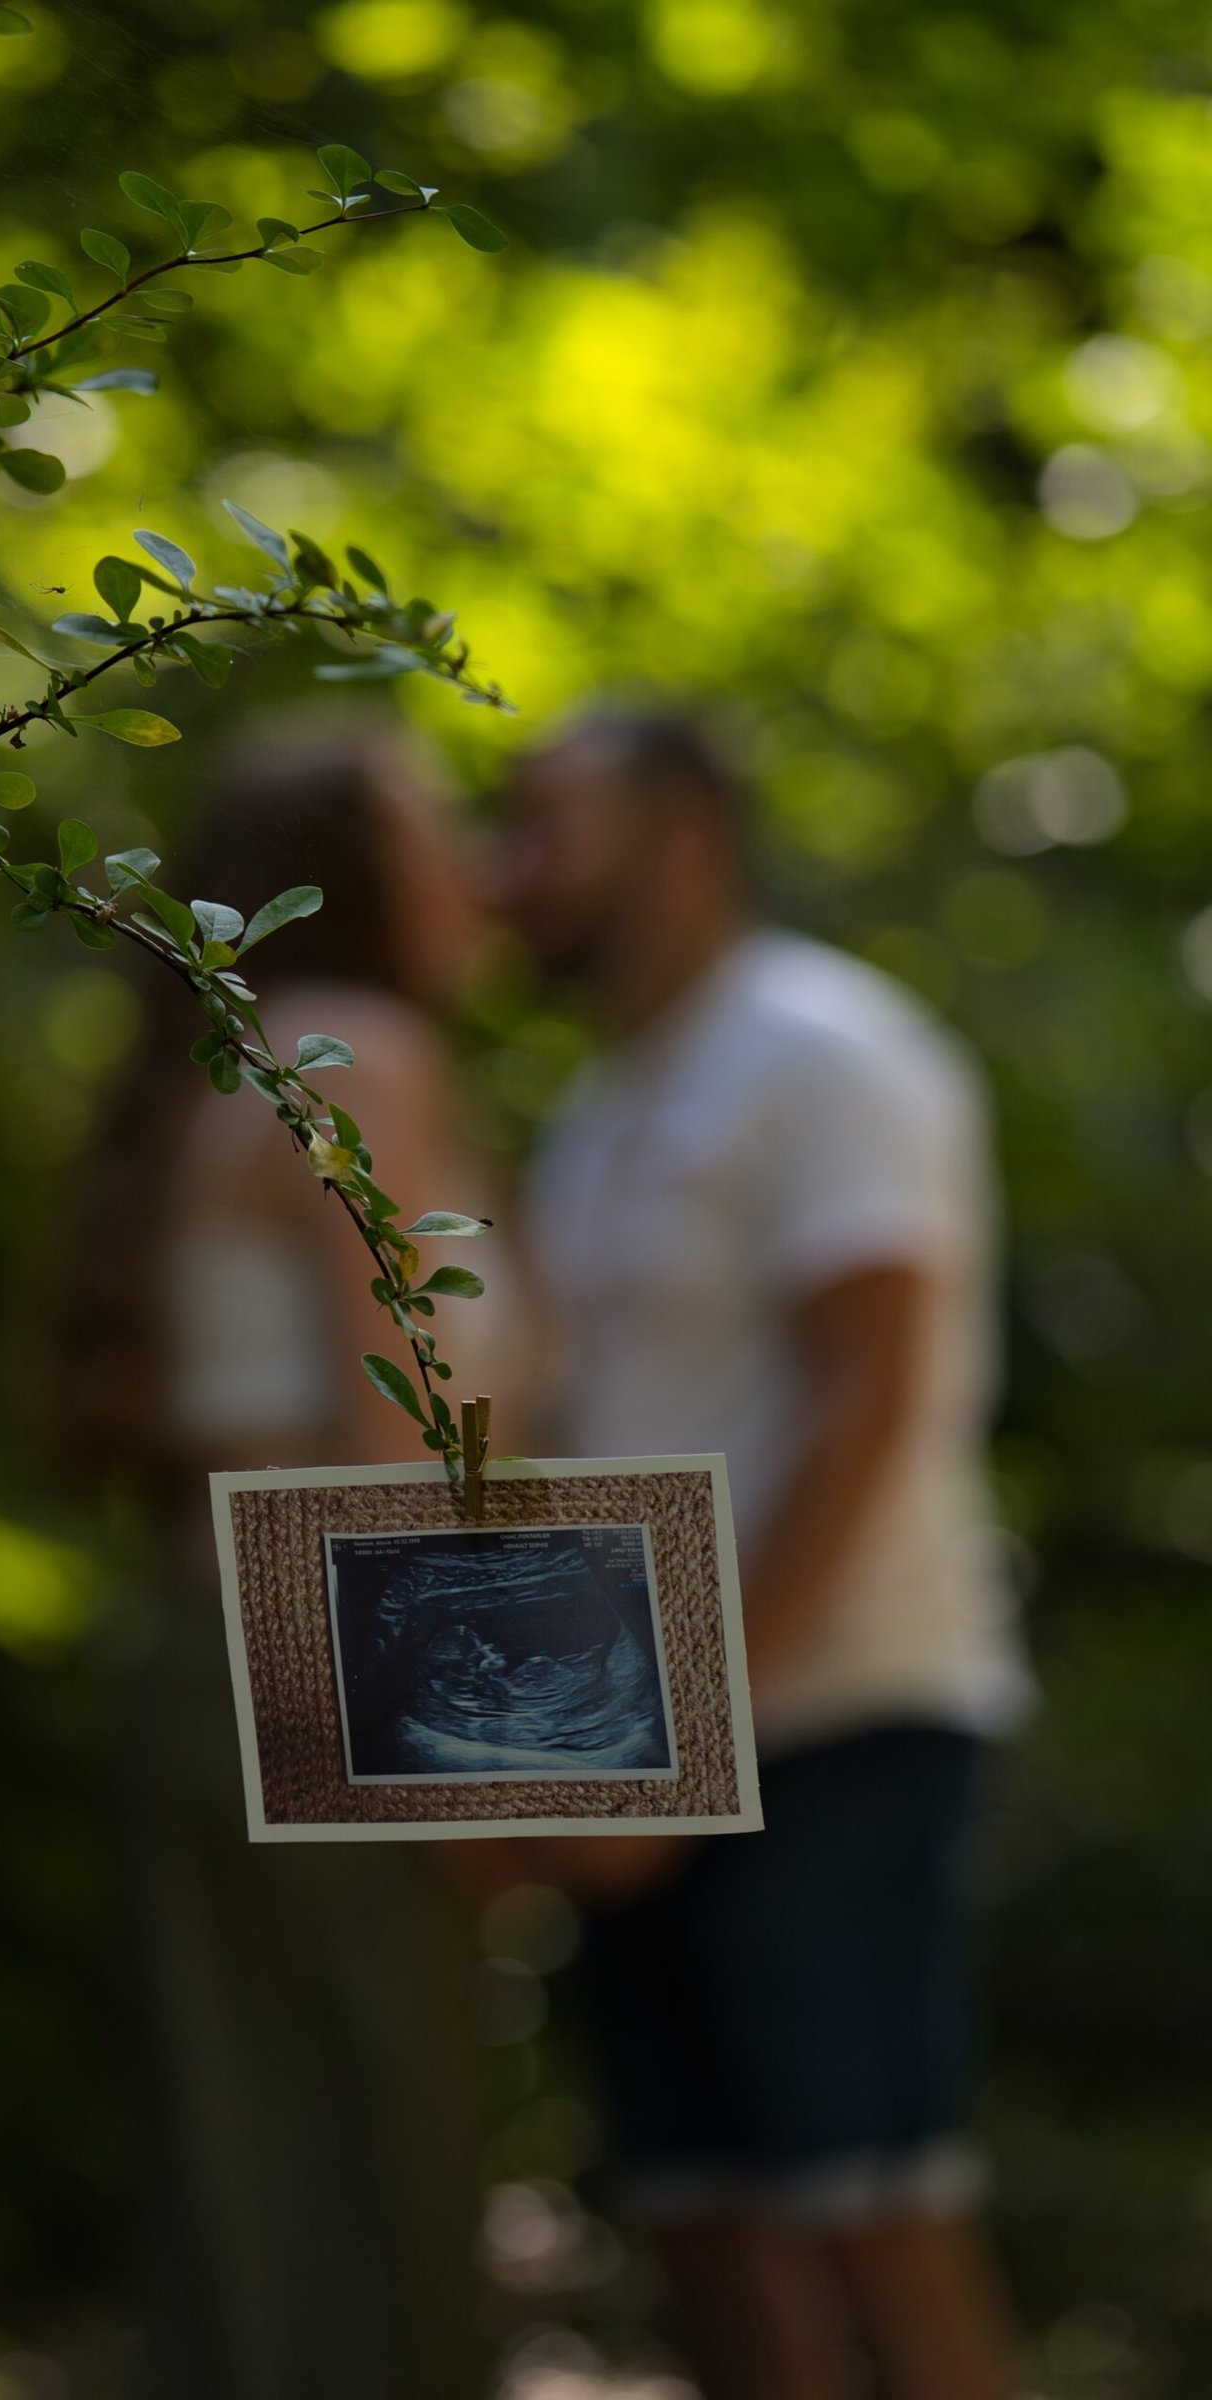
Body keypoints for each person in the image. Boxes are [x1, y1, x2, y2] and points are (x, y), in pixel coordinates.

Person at [489, 707, 1032, 2400]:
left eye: (549, 824)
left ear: (687, 834)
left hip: (844, 1720)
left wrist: (683, 1735)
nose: (511, 872)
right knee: (697, 2221)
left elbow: (876, 1404)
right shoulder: (603, 1107)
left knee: (871, 2207)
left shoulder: (820, 1047)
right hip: (664, 1745)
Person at [42, 714, 518, 2400]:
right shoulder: (362, 1055)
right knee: (365, 2192)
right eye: (439, 831)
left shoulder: (210, 1066)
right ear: (354, 874)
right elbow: (392, 1434)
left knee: (239, 2192)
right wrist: (474, 1774)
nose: (478, 873)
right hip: (329, 1678)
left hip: (195, 1661)